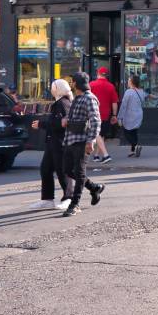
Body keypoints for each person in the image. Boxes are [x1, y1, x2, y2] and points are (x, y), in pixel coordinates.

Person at [61, 72, 106, 217]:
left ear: (76, 83)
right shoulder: (77, 98)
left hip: (82, 140)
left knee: (79, 173)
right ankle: (94, 187)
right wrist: (66, 119)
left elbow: (96, 120)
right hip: (70, 139)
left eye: (72, 82)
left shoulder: (89, 98)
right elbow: (74, 116)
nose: (71, 84)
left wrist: (91, 140)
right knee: (68, 170)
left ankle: (75, 204)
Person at [29, 79, 73, 211]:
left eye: (53, 87)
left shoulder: (62, 103)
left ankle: (69, 198)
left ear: (58, 89)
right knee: (45, 169)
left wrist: (41, 124)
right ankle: (47, 199)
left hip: (60, 142)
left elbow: (62, 123)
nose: (51, 89)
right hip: (52, 142)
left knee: (62, 170)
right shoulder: (59, 102)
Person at [89, 66, 120, 164]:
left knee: (96, 134)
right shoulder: (111, 86)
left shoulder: (91, 84)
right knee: (101, 135)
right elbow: (114, 102)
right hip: (106, 114)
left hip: (94, 113)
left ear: (98, 74)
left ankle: (106, 155)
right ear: (106, 75)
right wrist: (114, 115)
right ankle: (96, 155)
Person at [119, 75, 146, 158]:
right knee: (134, 132)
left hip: (130, 115)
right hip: (139, 114)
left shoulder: (128, 92)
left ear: (131, 82)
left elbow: (123, 105)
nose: (127, 81)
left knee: (126, 132)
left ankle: (136, 145)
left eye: (128, 80)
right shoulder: (141, 91)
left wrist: (119, 117)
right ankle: (133, 151)